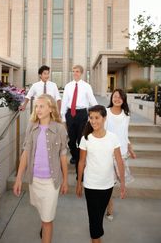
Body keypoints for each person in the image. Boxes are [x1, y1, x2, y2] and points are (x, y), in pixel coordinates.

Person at [13, 94, 68, 243]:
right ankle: (44, 225)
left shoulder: (60, 129)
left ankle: (45, 229)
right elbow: (25, 152)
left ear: (51, 108)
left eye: (42, 106)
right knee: (42, 213)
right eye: (36, 106)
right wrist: (19, 178)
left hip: (51, 181)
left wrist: (65, 180)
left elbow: (63, 155)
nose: (38, 109)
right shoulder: (31, 126)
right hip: (34, 180)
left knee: (47, 220)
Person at [76, 105, 125, 243]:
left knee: (98, 216)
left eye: (97, 117)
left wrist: (123, 183)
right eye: (91, 118)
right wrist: (79, 183)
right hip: (91, 185)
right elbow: (81, 162)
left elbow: (119, 161)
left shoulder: (112, 138)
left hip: (107, 186)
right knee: (94, 219)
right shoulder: (86, 138)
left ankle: (96, 235)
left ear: (104, 118)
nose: (93, 121)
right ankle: (96, 238)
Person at [105, 88, 136, 221]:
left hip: (122, 154)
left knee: (118, 182)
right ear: (112, 98)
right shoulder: (105, 113)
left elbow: (125, 134)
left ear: (123, 100)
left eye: (120, 97)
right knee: (109, 184)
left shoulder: (126, 115)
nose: (117, 99)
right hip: (107, 153)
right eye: (115, 96)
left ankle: (108, 207)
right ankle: (109, 209)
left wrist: (130, 149)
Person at [61, 65, 98, 169]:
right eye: (73, 71)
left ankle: (79, 159)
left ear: (81, 73)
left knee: (80, 138)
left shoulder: (86, 86)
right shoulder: (68, 86)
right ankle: (74, 155)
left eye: (77, 71)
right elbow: (64, 102)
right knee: (71, 140)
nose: (75, 73)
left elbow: (92, 100)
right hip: (70, 114)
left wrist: (100, 111)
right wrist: (63, 117)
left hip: (82, 114)